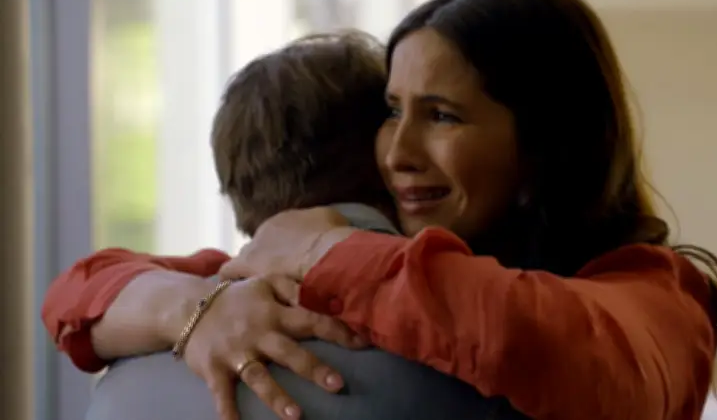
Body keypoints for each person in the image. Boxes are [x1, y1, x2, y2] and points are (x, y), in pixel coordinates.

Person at [42, 0, 717, 420]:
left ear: (546, 145)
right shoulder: (338, 270)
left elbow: (536, 338)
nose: (396, 152)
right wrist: (194, 311)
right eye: (392, 111)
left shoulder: (658, 295)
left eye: (442, 116)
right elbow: (81, 288)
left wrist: (327, 250)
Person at [80, 30, 526, 420]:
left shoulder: (125, 376)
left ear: (235, 187)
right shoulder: (480, 357)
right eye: (395, 115)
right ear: (389, 158)